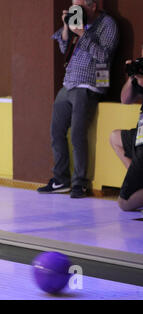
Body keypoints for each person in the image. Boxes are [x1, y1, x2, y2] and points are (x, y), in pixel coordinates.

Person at [38, 0, 119, 198]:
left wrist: (83, 33)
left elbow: (104, 56)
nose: (77, 9)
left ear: (92, 6)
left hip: (91, 84)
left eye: (80, 6)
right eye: (74, 5)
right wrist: (67, 25)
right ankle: (60, 180)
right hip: (69, 82)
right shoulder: (77, 20)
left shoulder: (107, 24)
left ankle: (80, 183)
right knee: (56, 132)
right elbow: (63, 46)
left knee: (77, 135)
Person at [110, 52, 143, 212]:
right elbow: (125, 100)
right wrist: (132, 77)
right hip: (140, 135)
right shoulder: (140, 72)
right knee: (115, 137)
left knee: (124, 203)